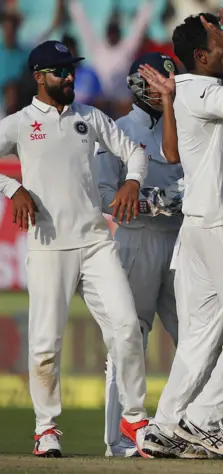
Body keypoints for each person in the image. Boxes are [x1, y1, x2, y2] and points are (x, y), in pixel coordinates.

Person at [0, 40, 150, 457]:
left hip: (96, 241)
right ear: (39, 77)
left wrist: (132, 181)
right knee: (46, 344)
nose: (70, 78)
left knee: (126, 327)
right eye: (60, 72)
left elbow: (134, 150)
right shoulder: (19, 122)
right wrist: (13, 189)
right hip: (49, 245)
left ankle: (135, 418)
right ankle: (45, 428)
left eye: (71, 70)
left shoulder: (91, 117)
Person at [138, 10, 223, 458]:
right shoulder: (201, 88)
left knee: (200, 336)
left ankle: (164, 425)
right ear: (201, 55)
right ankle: (201, 420)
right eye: (219, 47)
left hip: (200, 225)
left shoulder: (192, 88)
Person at [96, 52, 184, 458]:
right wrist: (151, 202)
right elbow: (101, 196)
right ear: (135, 83)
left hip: (183, 241)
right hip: (139, 239)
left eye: (168, 76)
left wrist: (179, 200)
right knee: (129, 339)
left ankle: (188, 429)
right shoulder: (120, 129)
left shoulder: (183, 123)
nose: (161, 85)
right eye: (151, 79)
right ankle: (119, 437)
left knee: (194, 336)